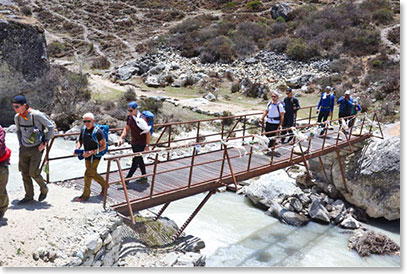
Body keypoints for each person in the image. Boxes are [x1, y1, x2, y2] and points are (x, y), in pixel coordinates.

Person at [13, 95, 55, 204]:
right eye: (14, 107)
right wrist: (20, 143)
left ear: (24, 105)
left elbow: (51, 127)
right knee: (24, 173)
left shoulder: (36, 115)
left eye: (17, 106)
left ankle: (44, 188)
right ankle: (29, 196)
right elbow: (18, 131)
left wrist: (45, 142)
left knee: (33, 172)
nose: (15, 109)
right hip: (24, 148)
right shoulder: (17, 117)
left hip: (37, 148)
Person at [75, 113, 109, 202]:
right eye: (84, 121)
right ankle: (105, 185)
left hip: (96, 155)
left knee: (87, 174)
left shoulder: (98, 132)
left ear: (93, 121)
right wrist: (77, 148)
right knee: (92, 173)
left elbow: (103, 146)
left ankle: (85, 195)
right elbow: (80, 141)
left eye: (88, 121)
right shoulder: (83, 130)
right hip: (86, 155)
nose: (86, 123)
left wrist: (92, 152)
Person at [118, 102, 150, 183]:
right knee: (139, 159)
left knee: (136, 160)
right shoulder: (130, 117)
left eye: (131, 110)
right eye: (128, 110)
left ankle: (126, 179)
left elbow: (148, 133)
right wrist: (121, 137)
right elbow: (127, 128)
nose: (129, 112)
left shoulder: (142, 118)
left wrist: (147, 145)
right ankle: (144, 177)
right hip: (134, 142)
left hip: (141, 142)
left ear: (136, 109)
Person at [261, 92, 285, 157]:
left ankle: (270, 149)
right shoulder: (269, 104)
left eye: (274, 96)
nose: (273, 98)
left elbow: (282, 115)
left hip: (275, 123)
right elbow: (266, 111)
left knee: (273, 136)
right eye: (272, 96)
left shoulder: (279, 105)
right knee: (267, 134)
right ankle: (268, 148)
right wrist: (262, 117)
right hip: (268, 122)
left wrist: (280, 124)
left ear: (277, 97)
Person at [0, 125, 11, 221]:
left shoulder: (0, 130)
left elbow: (0, 145)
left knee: (1, 189)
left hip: (1, 164)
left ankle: (2, 210)